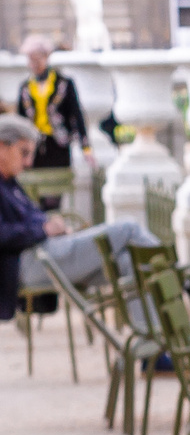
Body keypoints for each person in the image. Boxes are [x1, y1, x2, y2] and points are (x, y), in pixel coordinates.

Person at [0, 115, 150, 316]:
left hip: (45, 253)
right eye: (24, 152)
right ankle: (185, 281)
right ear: (2, 147)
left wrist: (53, 226)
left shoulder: (9, 182)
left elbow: (31, 217)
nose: (28, 162)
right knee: (127, 228)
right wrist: (43, 229)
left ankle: (153, 342)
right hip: (28, 262)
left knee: (129, 261)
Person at [14, 36, 86, 175]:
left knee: (56, 185)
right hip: (33, 145)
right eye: (30, 59)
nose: (34, 64)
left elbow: (76, 114)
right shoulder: (25, 87)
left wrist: (85, 146)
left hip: (58, 143)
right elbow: (20, 119)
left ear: (46, 57)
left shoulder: (63, 83)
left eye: (37, 59)